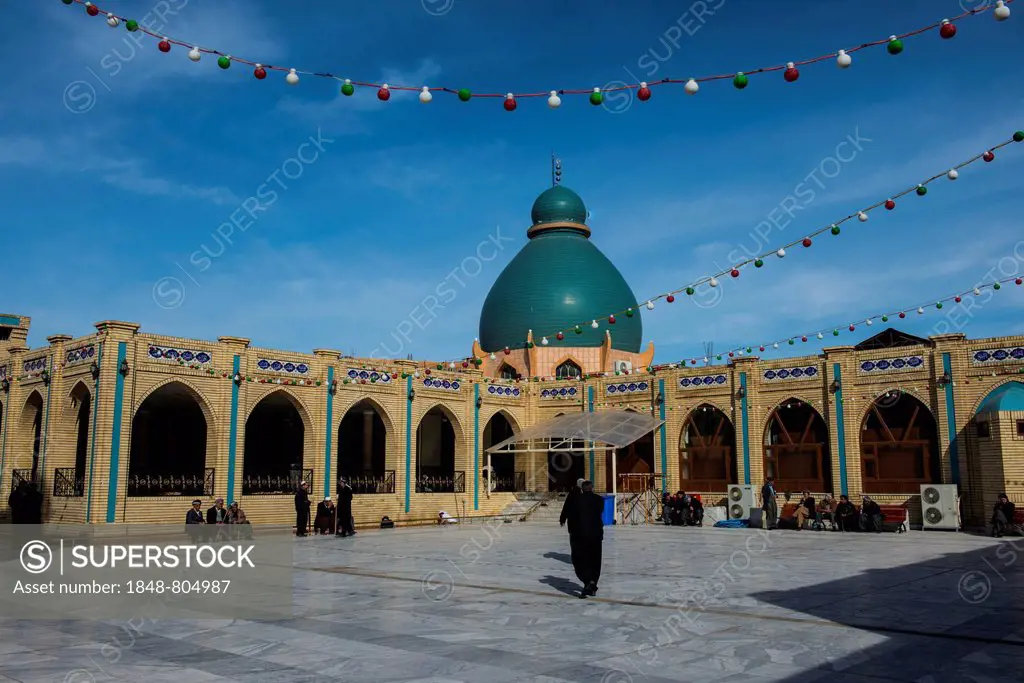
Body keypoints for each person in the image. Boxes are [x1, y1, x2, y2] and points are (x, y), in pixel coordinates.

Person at [566, 480, 605, 598]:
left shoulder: (576, 500)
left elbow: (571, 517)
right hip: (595, 535)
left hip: (580, 535)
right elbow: (600, 511)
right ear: (592, 488)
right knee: (595, 560)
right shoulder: (599, 500)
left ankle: (588, 582)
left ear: (582, 489)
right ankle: (592, 582)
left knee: (580, 560)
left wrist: (571, 531)